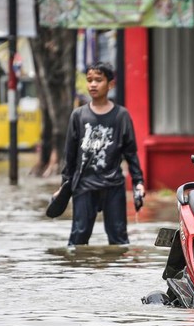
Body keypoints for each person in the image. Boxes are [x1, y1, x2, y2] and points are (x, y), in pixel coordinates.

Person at [56, 62, 145, 245]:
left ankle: (118, 273)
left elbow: (131, 153)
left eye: (98, 80)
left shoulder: (121, 116)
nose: (93, 85)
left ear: (110, 84)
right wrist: (64, 185)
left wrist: (138, 183)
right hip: (84, 185)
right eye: (89, 80)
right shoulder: (78, 116)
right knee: (78, 239)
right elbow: (70, 156)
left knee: (119, 239)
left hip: (113, 185)